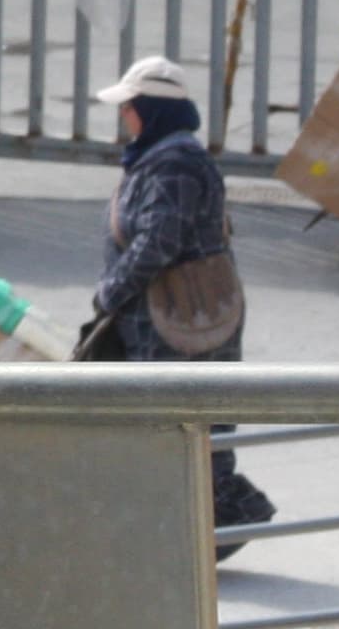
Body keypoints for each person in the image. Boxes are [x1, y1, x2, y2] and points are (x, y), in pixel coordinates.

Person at [84, 56, 277, 544]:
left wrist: (110, 292)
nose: (123, 115)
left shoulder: (175, 165)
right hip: (171, 321)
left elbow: (159, 241)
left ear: (150, 110)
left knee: (186, 430)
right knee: (173, 430)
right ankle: (180, 539)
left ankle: (209, 535)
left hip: (182, 325)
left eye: (128, 106)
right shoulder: (161, 156)